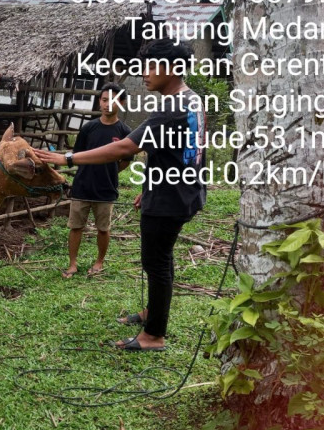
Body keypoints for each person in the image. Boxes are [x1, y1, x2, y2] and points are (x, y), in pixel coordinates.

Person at [35, 38, 206, 351]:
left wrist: (68, 158)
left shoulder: (172, 108)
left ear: (172, 68)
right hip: (182, 191)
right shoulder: (191, 99)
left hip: (170, 199)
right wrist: (150, 186)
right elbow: (181, 152)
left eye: (151, 66)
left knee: (156, 262)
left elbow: (126, 147)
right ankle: (154, 312)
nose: (144, 73)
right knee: (162, 258)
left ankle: (154, 335)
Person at [61, 82, 132, 279]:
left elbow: (126, 160)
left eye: (113, 100)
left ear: (122, 103)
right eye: (104, 100)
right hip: (82, 186)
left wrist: (110, 171)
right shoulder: (88, 128)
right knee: (76, 226)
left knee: (103, 228)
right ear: (99, 101)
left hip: (106, 188)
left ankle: (99, 261)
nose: (108, 104)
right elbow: (78, 155)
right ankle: (72, 264)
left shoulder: (125, 131)